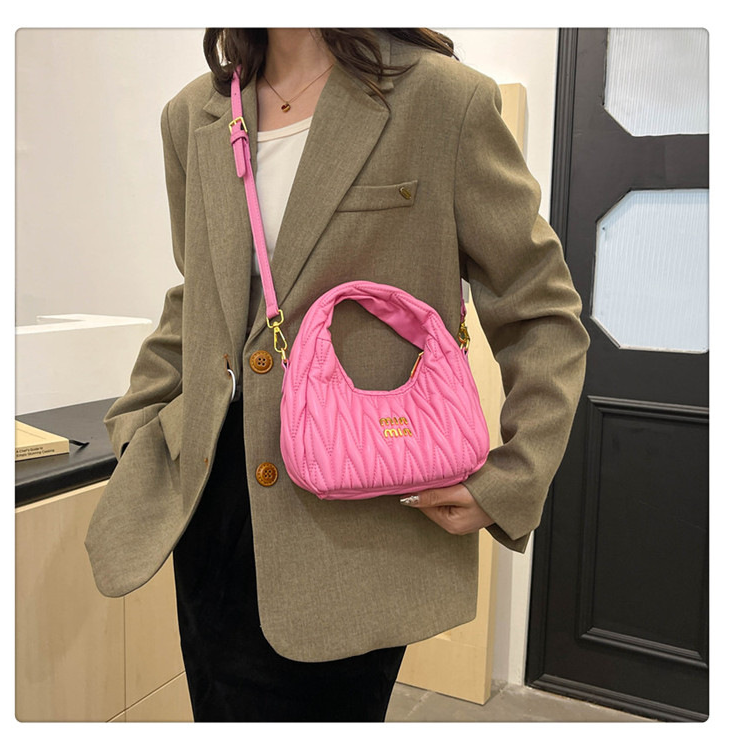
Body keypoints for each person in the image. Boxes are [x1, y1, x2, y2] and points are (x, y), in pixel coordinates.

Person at [85, 28, 590, 722]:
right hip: (210, 501)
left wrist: (515, 478)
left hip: (353, 518)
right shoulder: (195, 115)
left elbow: (540, 308)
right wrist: (137, 423)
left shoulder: (443, 101)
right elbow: (199, 294)